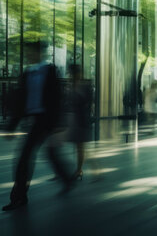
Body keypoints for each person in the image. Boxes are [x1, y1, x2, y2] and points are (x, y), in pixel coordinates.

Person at [3, 41, 74, 211]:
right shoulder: (27, 73)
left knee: (25, 157)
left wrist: (58, 123)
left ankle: (19, 197)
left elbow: (57, 98)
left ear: (40, 53)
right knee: (50, 153)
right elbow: (20, 102)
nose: (28, 55)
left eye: (31, 52)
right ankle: (66, 179)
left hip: (46, 119)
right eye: (27, 52)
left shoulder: (50, 71)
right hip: (34, 119)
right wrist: (11, 126)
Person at [67, 65, 93, 181]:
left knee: (80, 147)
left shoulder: (85, 86)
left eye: (74, 73)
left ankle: (79, 170)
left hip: (82, 121)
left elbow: (88, 103)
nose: (72, 75)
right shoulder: (72, 86)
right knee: (79, 147)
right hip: (75, 120)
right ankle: (83, 169)